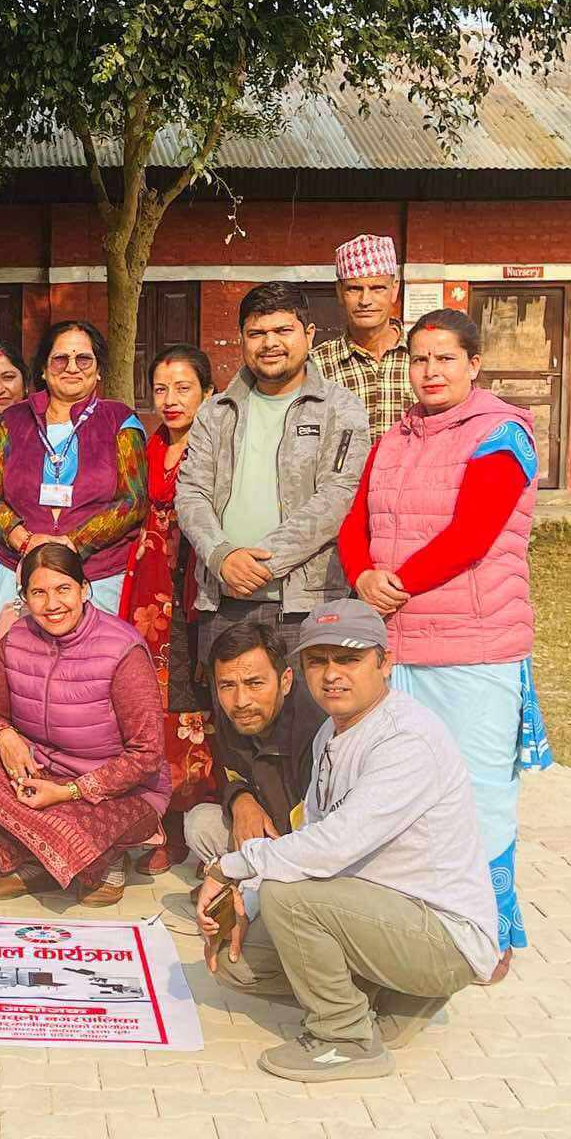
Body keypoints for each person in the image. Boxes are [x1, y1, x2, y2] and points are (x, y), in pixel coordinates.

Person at [197, 600, 501, 1083]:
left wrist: (233, 868)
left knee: (289, 898)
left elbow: (331, 847)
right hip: (381, 915)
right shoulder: (333, 733)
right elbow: (312, 837)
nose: (332, 675)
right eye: (318, 661)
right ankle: (395, 1003)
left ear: (384, 663)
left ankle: (344, 1038)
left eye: (349, 659)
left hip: (441, 934)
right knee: (237, 959)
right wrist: (245, 900)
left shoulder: (405, 740)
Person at [339, 308, 551, 956]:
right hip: (400, 647)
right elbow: (355, 521)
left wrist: (392, 581)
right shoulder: (395, 438)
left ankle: (488, 937)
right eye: (420, 359)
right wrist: (362, 575)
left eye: (445, 358)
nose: (430, 372)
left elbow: (472, 534)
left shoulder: (500, 435)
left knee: (479, 796)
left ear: (473, 364)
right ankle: (415, 928)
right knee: (404, 790)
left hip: (473, 651)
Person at [176, 281, 366, 758]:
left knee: (309, 735)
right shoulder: (215, 412)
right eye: (257, 332)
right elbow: (191, 491)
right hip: (224, 599)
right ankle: (240, 826)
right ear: (241, 338)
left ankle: (307, 831)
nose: (270, 342)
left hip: (302, 601)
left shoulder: (340, 409)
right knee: (234, 736)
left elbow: (336, 497)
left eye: (283, 329)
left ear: (309, 333)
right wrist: (222, 556)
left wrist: (262, 561)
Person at [0, 544, 167, 908]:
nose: (52, 604)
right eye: (39, 592)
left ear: (84, 589)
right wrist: (5, 737)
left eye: (63, 589)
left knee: (76, 821)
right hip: (44, 772)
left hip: (117, 791)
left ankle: (106, 860)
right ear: (24, 598)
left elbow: (147, 755)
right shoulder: (17, 640)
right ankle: (38, 861)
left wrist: (70, 793)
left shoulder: (121, 649)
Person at [0, 320, 148, 677]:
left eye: (83, 359)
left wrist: (72, 543)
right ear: (42, 368)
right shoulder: (15, 420)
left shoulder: (120, 421)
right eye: (60, 359)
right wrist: (26, 541)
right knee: (16, 677)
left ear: (99, 369)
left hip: (97, 574)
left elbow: (133, 500)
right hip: (19, 570)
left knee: (92, 680)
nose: (72, 367)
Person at [117, 345, 217, 869]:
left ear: (207, 392)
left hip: (194, 586)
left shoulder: (218, 445)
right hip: (146, 587)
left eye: (184, 388)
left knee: (191, 704)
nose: (171, 400)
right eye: (161, 389)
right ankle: (151, 820)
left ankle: (190, 821)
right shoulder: (148, 444)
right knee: (145, 703)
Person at [155, 621, 317, 934]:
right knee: (201, 823)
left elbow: (319, 837)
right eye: (227, 685)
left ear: (285, 681)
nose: (241, 700)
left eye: (255, 683)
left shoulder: (314, 730)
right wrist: (241, 799)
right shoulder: (236, 714)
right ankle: (241, 883)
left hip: (307, 850)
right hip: (265, 836)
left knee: (240, 955)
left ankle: (247, 888)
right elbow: (230, 771)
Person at [309, 234, 412, 441]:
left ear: (395, 289)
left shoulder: (423, 357)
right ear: (339, 292)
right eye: (354, 289)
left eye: (377, 288)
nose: (365, 300)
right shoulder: (316, 365)